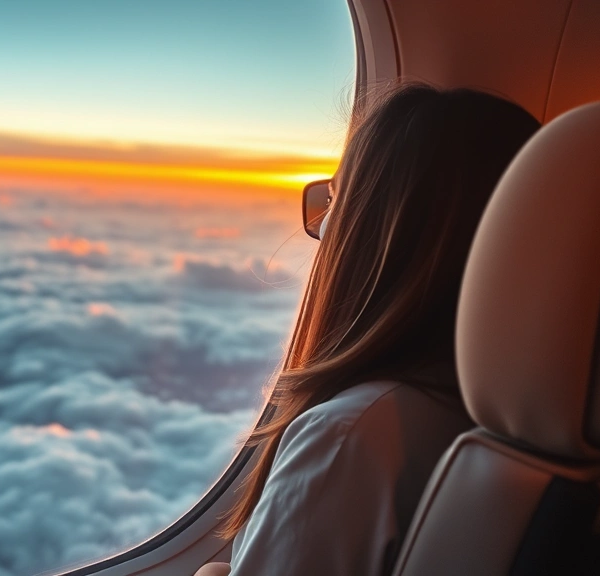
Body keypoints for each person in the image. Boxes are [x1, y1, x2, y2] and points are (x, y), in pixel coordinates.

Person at [195, 84, 541, 576]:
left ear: (377, 230)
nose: (323, 225)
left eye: (337, 197)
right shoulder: (520, 416)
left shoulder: (351, 435)